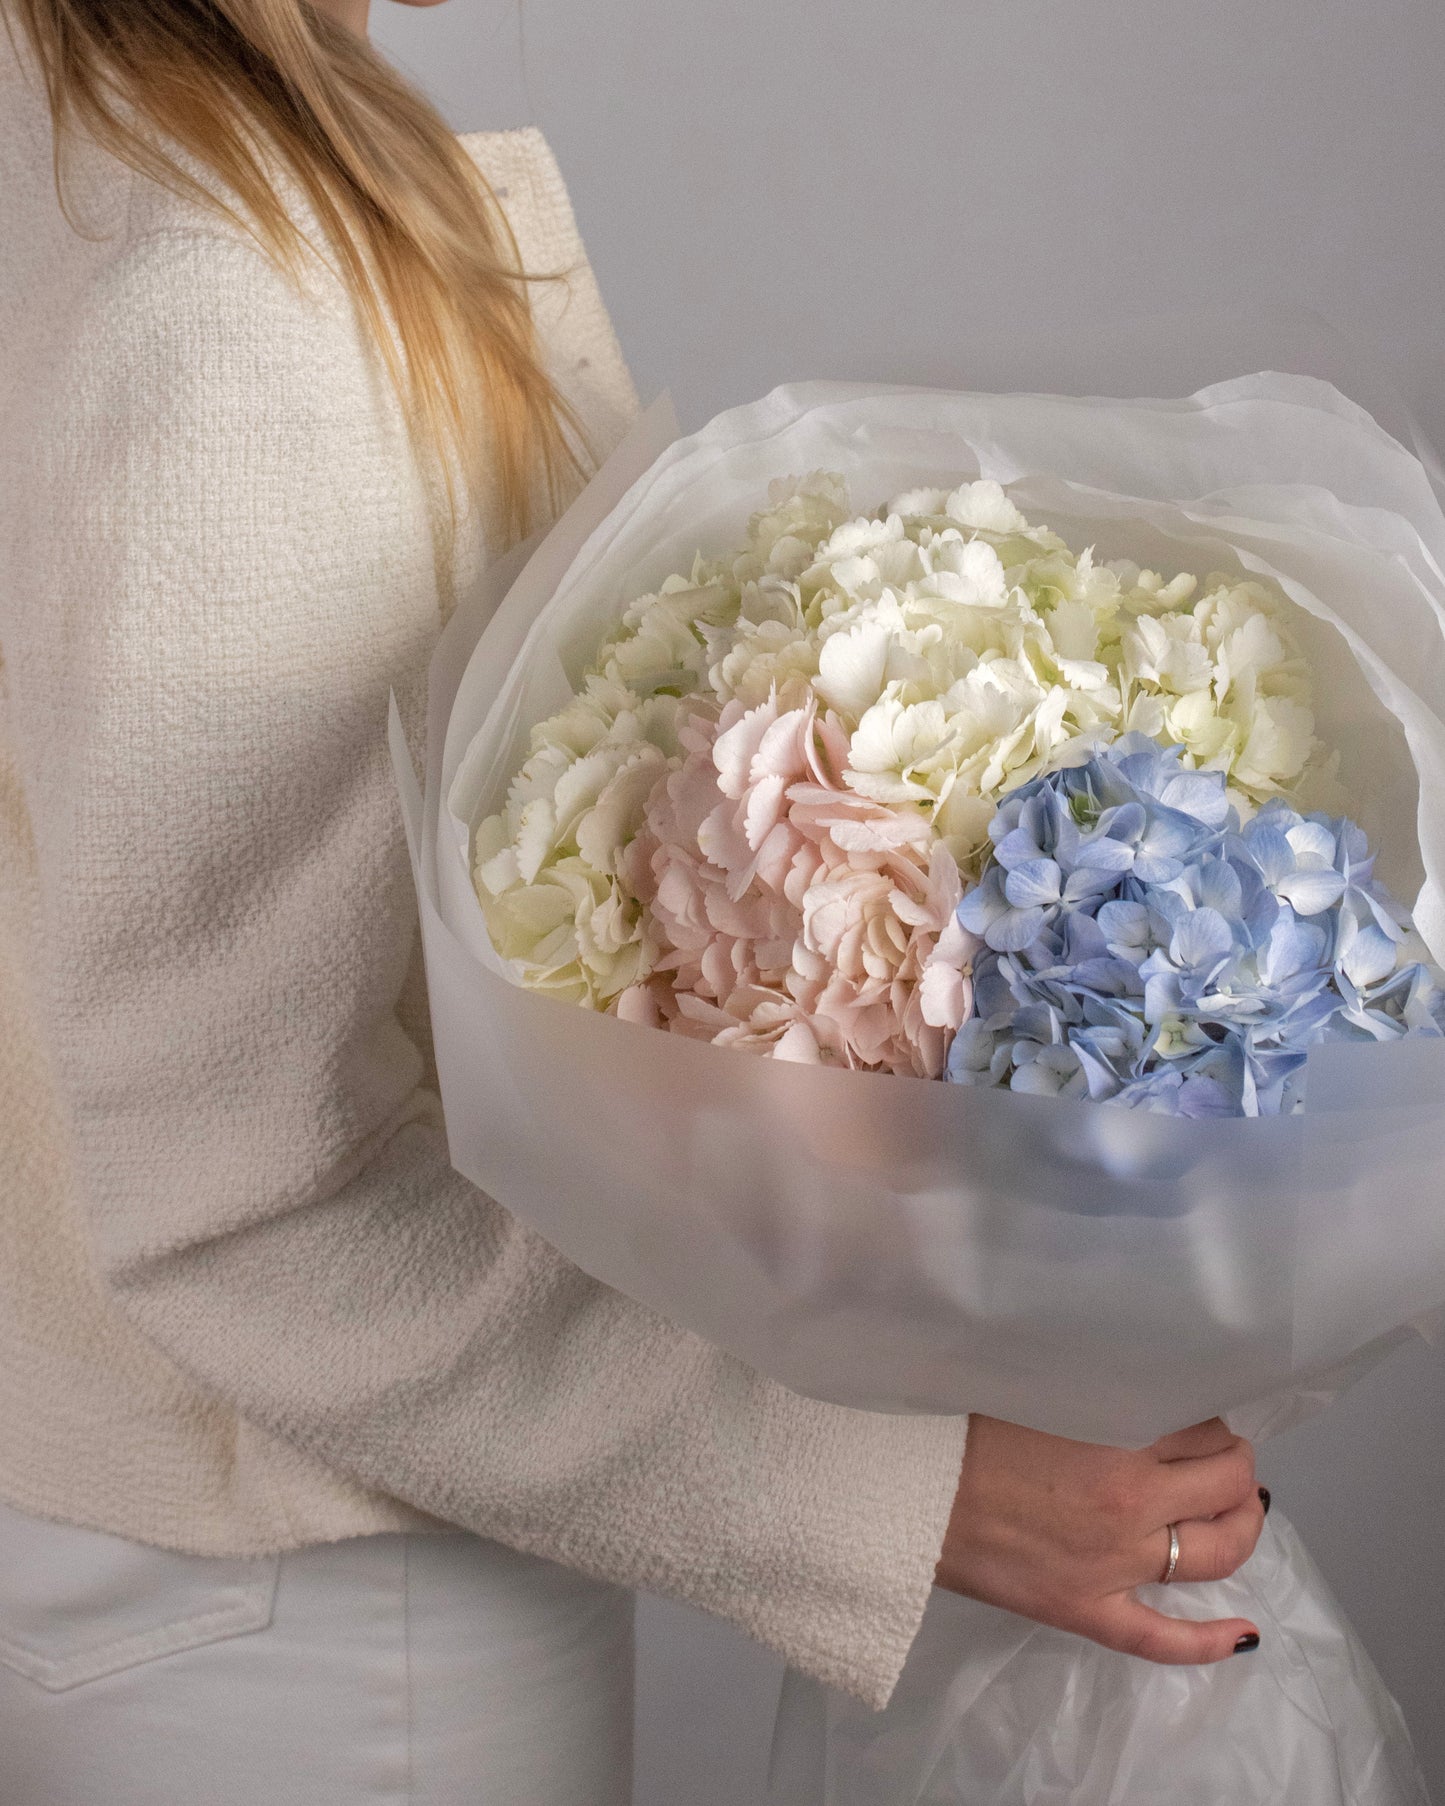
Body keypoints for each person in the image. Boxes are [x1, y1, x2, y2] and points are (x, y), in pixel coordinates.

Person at [0, 0, 1268, 1798]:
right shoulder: (217, 297)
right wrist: (910, 1499)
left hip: (229, 1565)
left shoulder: (107, 157)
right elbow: (244, 1203)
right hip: (326, 1617)